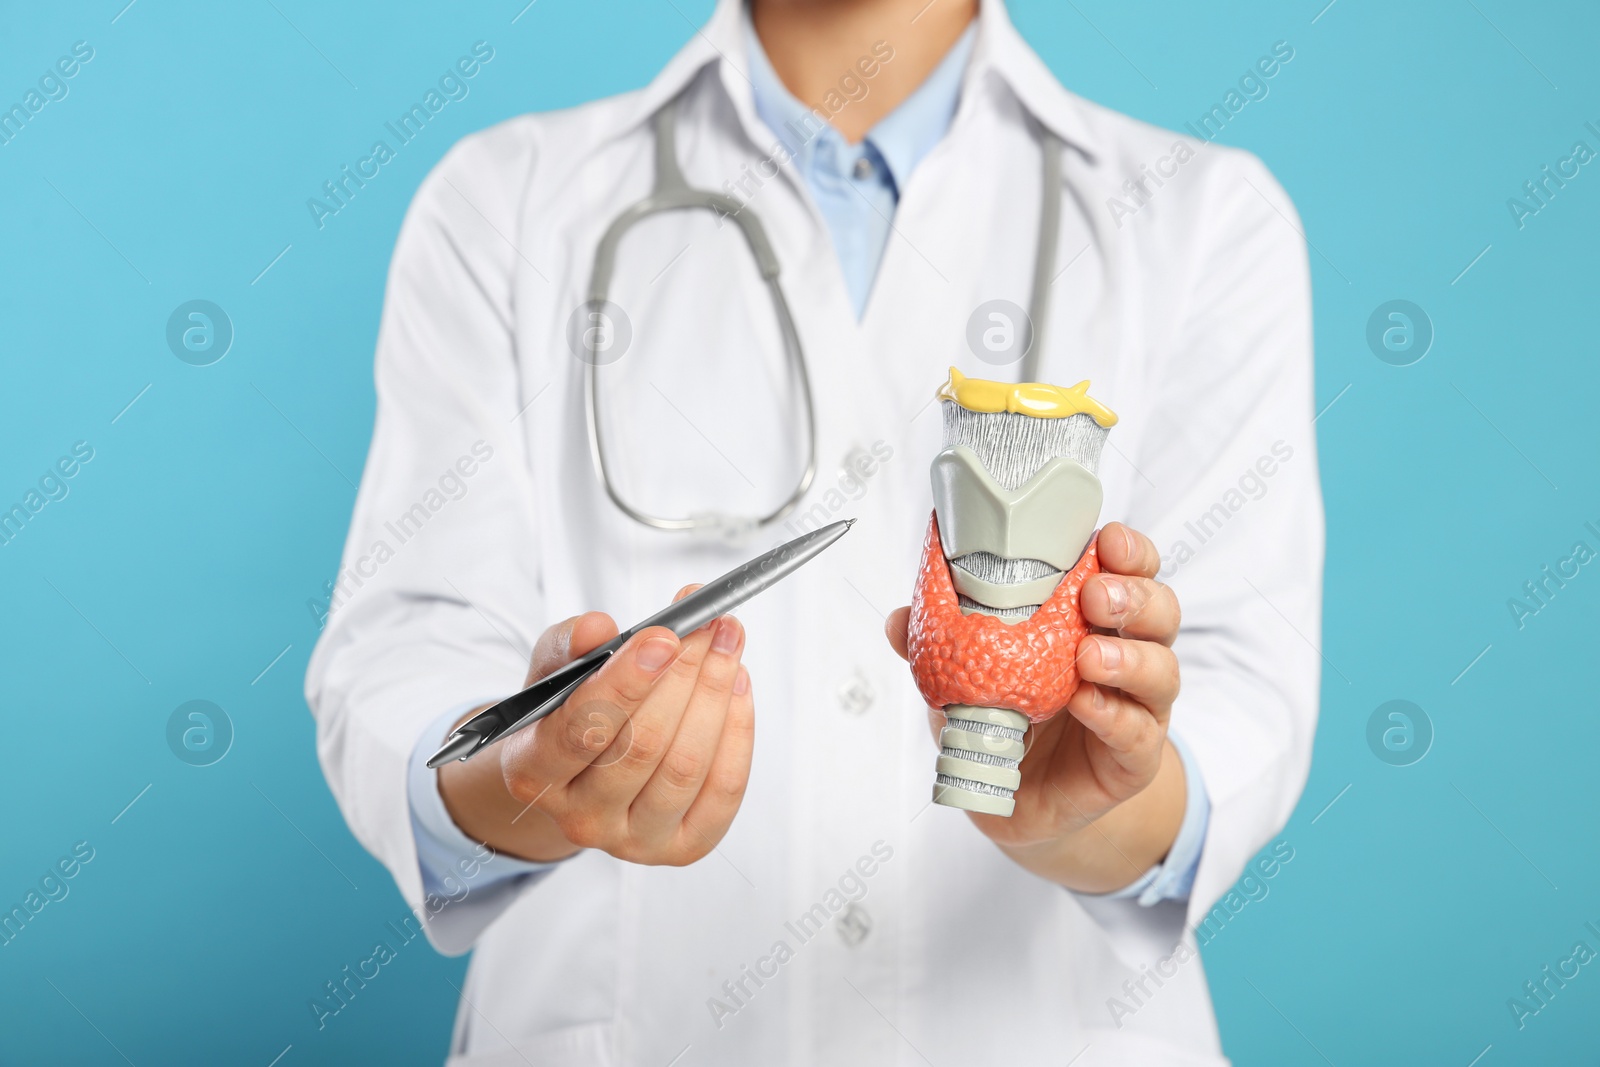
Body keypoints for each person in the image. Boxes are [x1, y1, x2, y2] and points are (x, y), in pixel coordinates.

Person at [305, 0, 1322, 1063]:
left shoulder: (1206, 218)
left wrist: (1090, 812)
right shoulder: (503, 200)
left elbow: (1243, 692)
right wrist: (536, 776)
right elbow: (403, 651)